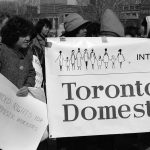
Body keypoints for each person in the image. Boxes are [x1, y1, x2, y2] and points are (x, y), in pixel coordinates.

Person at [0, 16, 36, 96]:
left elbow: (31, 73)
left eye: (29, 35)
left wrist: (27, 86)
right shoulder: (2, 51)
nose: (28, 38)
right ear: (13, 34)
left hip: (20, 103)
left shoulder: (28, 52)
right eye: (24, 35)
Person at [32, 18, 52, 88]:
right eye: (46, 27)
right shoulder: (34, 40)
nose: (48, 29)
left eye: (49, 28)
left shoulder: (49, 39)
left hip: (48, 69)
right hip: (38, 70)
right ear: (40, 27)